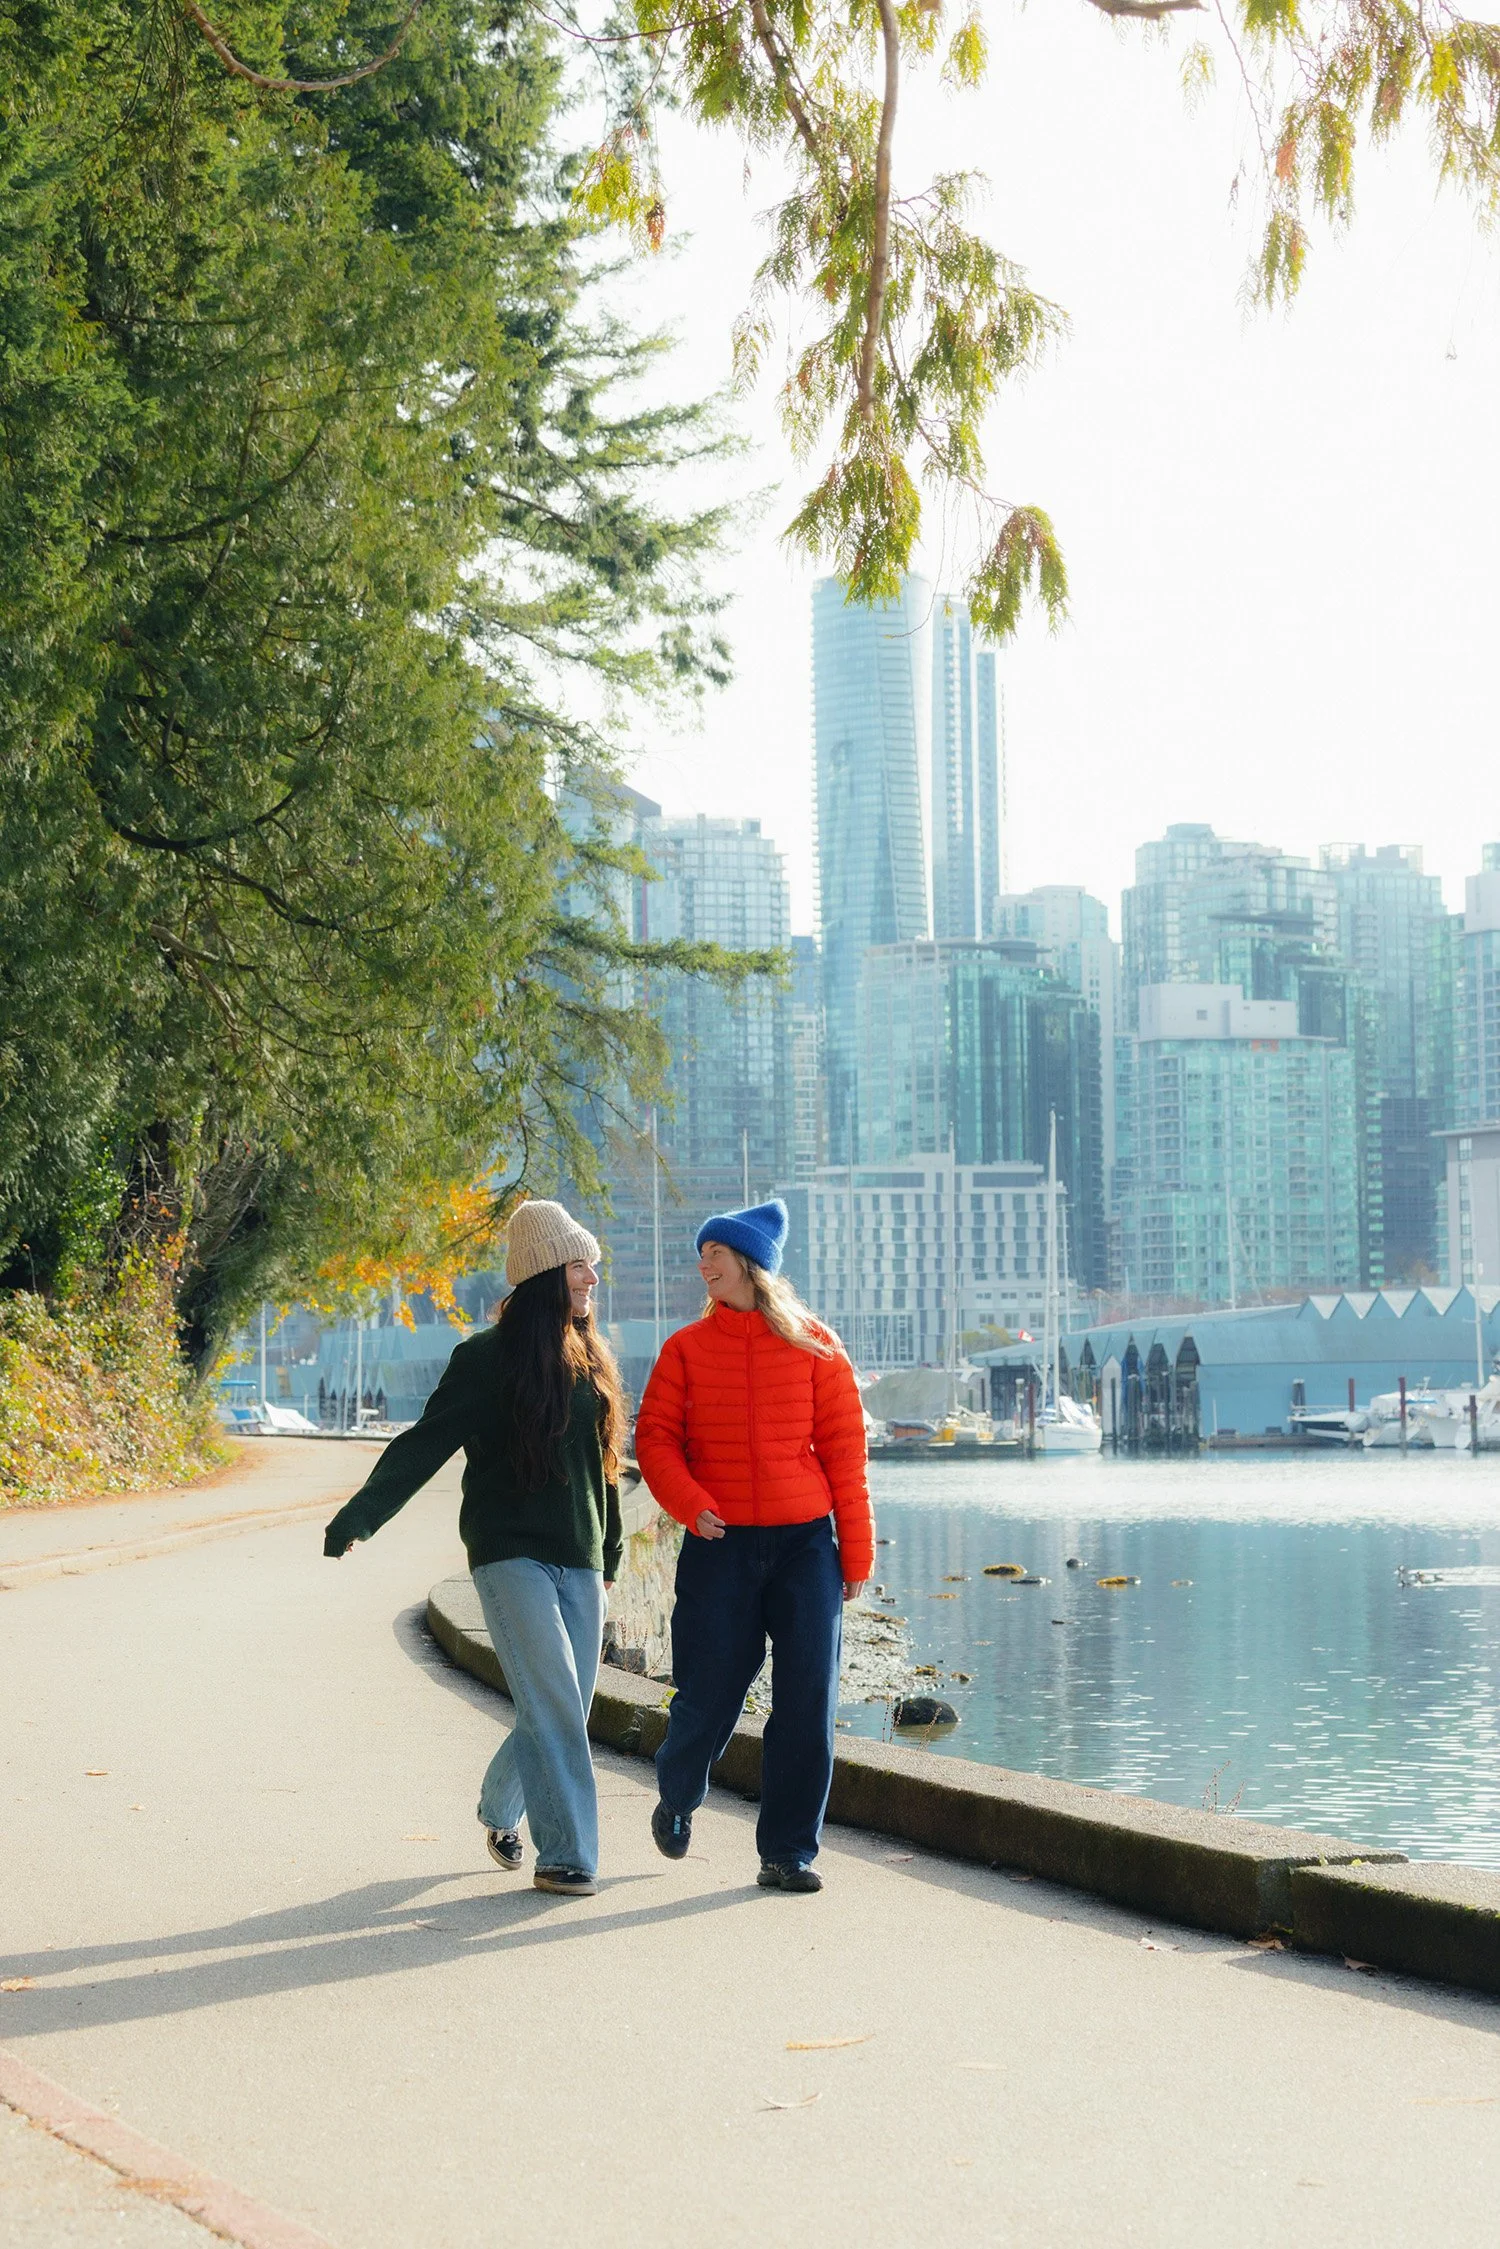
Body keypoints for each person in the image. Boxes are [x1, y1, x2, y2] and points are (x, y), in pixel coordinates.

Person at [323, 1200, 625, 1899]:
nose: (592, 1279)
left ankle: (499, 1804)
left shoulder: (591, 1359)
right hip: (509, 1554)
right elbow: (424, 1442)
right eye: (582, 1264)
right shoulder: (484, 1360)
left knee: (565, 1706)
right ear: (550, 1268)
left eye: (594, 1267)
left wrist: (607, 1558)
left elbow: (604, 1468)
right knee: (551, 1699)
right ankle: (569, 1856)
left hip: (579, 1558)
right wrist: (362, 1513)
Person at [634, 1198, 872, 1893]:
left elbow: (844, 1456)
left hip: (805, 1548)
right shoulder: (684, 1349)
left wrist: (854, 1556)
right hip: (721, 1543)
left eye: (715, 1252)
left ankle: (788, 1851)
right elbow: (655, 1440)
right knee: (707, 1694)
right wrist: (692, 1503)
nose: (702, 1262)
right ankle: (678, 1795)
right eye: (702, 1252)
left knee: (807, 1701)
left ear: (751, 1264)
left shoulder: (816, 1346)